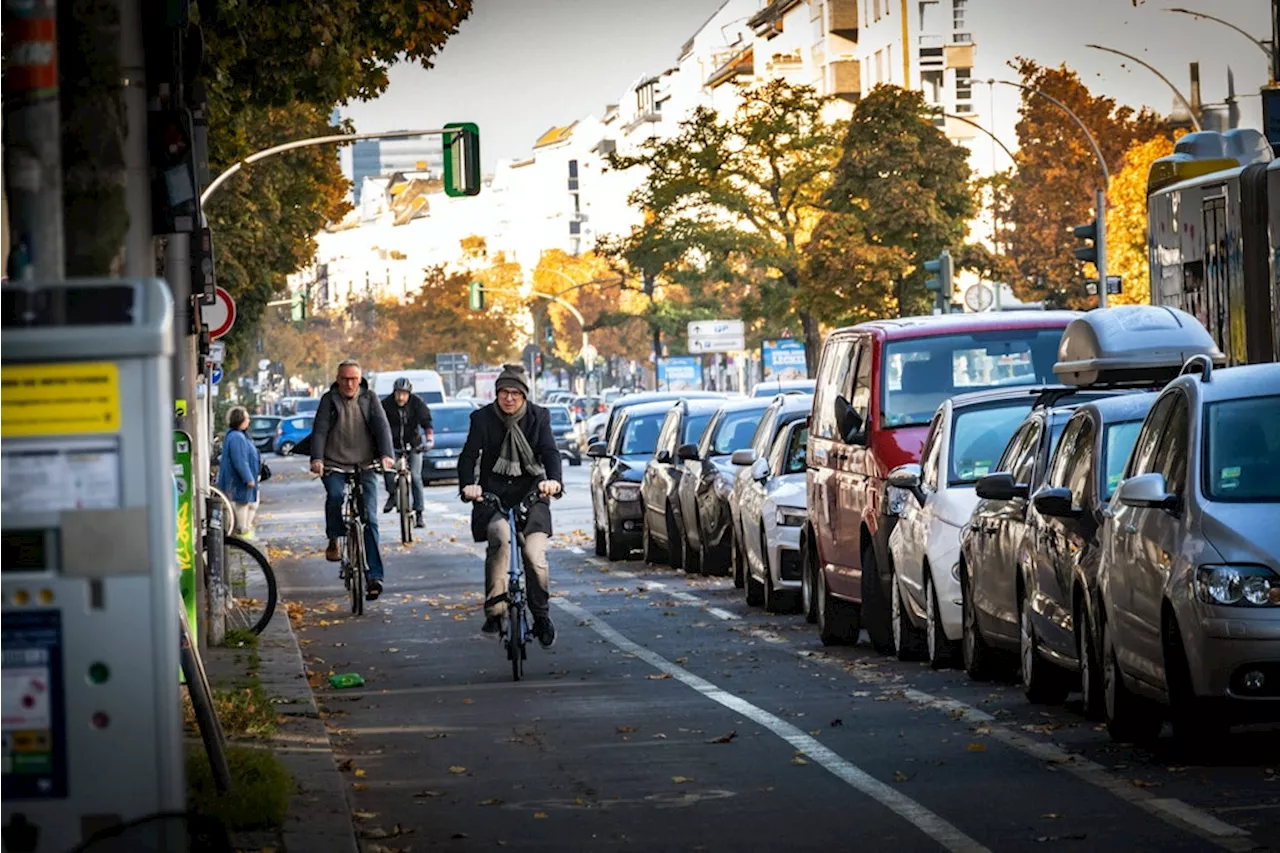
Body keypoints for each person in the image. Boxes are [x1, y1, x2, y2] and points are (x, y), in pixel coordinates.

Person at [459, 363, 563, 646]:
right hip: (492, 497)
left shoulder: (538, 416)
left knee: (533, 554)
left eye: (515, 393)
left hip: (532, 493)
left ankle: (541, 616)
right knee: (500, 540)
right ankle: (495, 610)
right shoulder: (482, 419)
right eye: (504, 392)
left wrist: (553, 481)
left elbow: (550, 452)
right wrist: (470, 486)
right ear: (496, 394)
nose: (509, 398)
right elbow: (468, 456)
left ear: (524, 395)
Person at [309, 359, 395, 600]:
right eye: (344, 379)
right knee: (335, 496)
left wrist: (387, 455)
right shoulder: (329, 400)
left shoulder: (370, 399)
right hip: (334, 463)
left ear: (360, 379)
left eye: (353, 379)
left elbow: (382, 427)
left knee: (371, 519)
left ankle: (374, 576)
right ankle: (334, 538)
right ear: (338, 379)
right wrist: (317, 458)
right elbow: (320, 430)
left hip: (365, 464)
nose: (349, 383)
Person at [381, 376, 434, 528]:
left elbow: (427, 422)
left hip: (414, 445)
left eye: (404, 394)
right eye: (398, 393)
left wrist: (429, 440)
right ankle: (392, 494)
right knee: (389, 472)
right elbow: (378, 424)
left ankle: (419, 513)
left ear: (409, 394)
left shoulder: (417, 403)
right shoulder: (386, 405)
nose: (401, 397)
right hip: (393, 446)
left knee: (416, 478)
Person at [217, 406, 260, 538]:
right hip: (239, 480)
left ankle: (244, 531)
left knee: (252, 504)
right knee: (243, 503)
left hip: (242, 478)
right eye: (247, 418)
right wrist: (248, 478)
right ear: (240, 419)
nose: (249, 420)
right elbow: (240, 460)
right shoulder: (237, 437)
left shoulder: (239, 436)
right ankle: (243, 532)